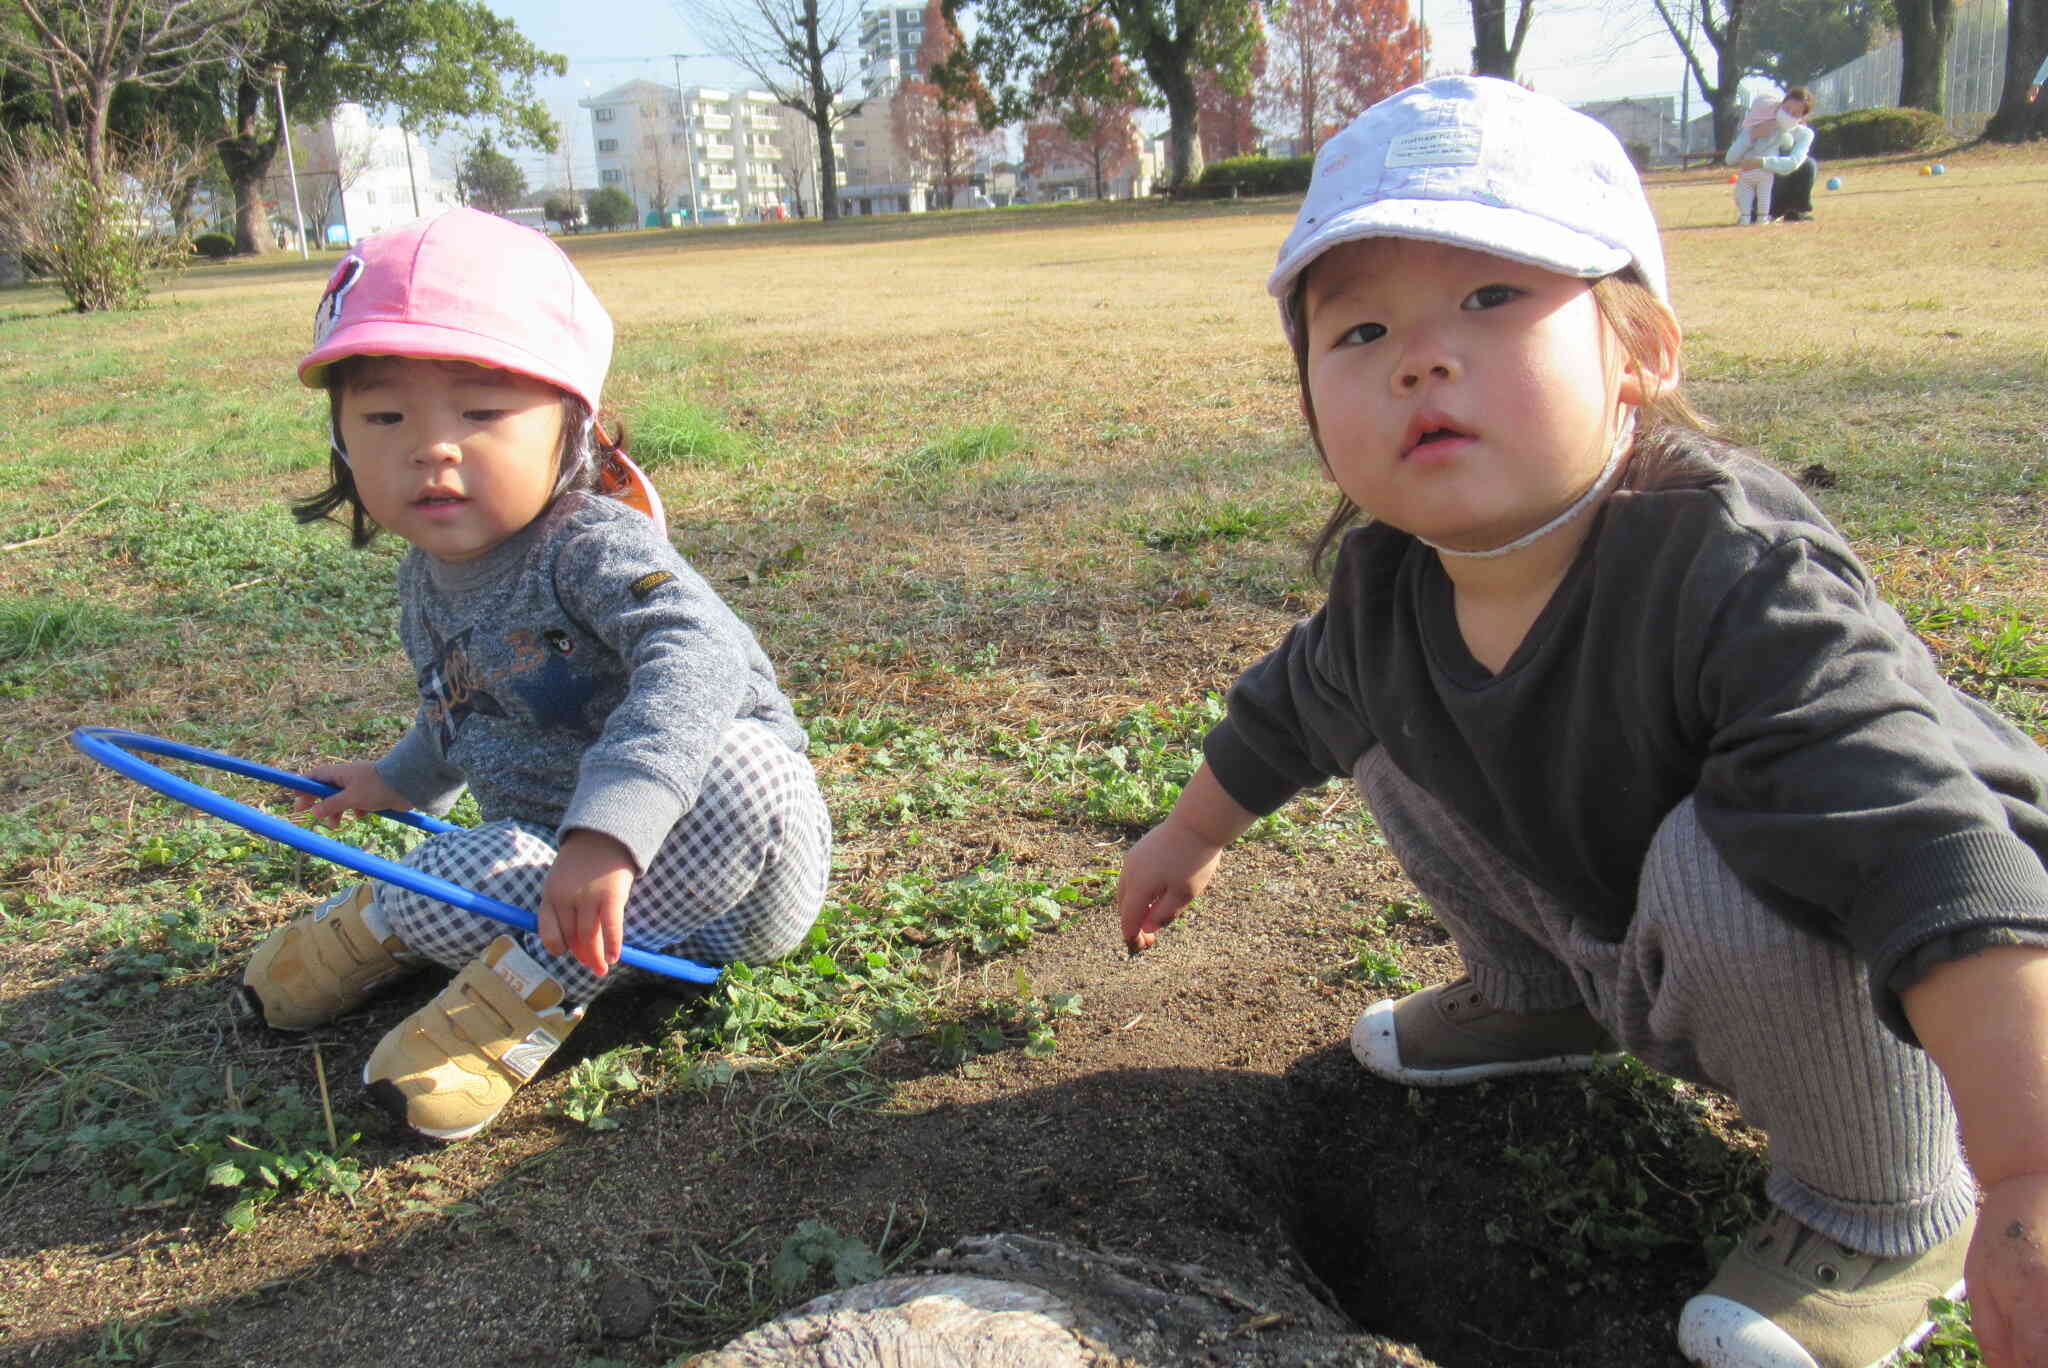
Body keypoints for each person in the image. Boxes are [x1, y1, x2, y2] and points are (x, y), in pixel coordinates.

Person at [1116, 76, 2048, 1368]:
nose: (1421, 356)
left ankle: (1887, 1205)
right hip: (1635, 912)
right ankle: (1539, 994)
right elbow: (1295, 706)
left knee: (1720, 861)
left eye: (1494, 297)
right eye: (1359, 331)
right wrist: (1186, 837)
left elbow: (1917, 848)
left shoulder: (1729, 572)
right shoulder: (1393, 577)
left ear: (1641, 351)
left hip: (1941, 961)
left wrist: (2028, 1168)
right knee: (1382, 724)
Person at [236, 207, 832, 1143]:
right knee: (472, 867)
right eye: (386, 415)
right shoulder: (426, 579)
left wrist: (612, 835)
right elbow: (464, 705)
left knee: (752, 773)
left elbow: (701, 653)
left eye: (481, 413)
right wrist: (395, 780)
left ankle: (532, 987)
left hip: (724, 876)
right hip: (559, 872)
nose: (433, 447)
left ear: (573, 427)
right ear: (344, 441)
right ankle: (385, 921)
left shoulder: (590, 545)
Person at [1725, 88, 1817, 223]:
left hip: (1779, 183)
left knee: (1809, 165)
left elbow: (1793, 163)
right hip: (1756, 187)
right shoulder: (1757, 124)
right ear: (1780, 105)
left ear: (1802, 117)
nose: (1789, 115)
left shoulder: (1804, 134)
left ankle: (1796, 212)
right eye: (1786, 109)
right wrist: (1753, 136)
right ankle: (1754, 213)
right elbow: (1730, 159)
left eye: (1795, 114)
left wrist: (1761, 162)